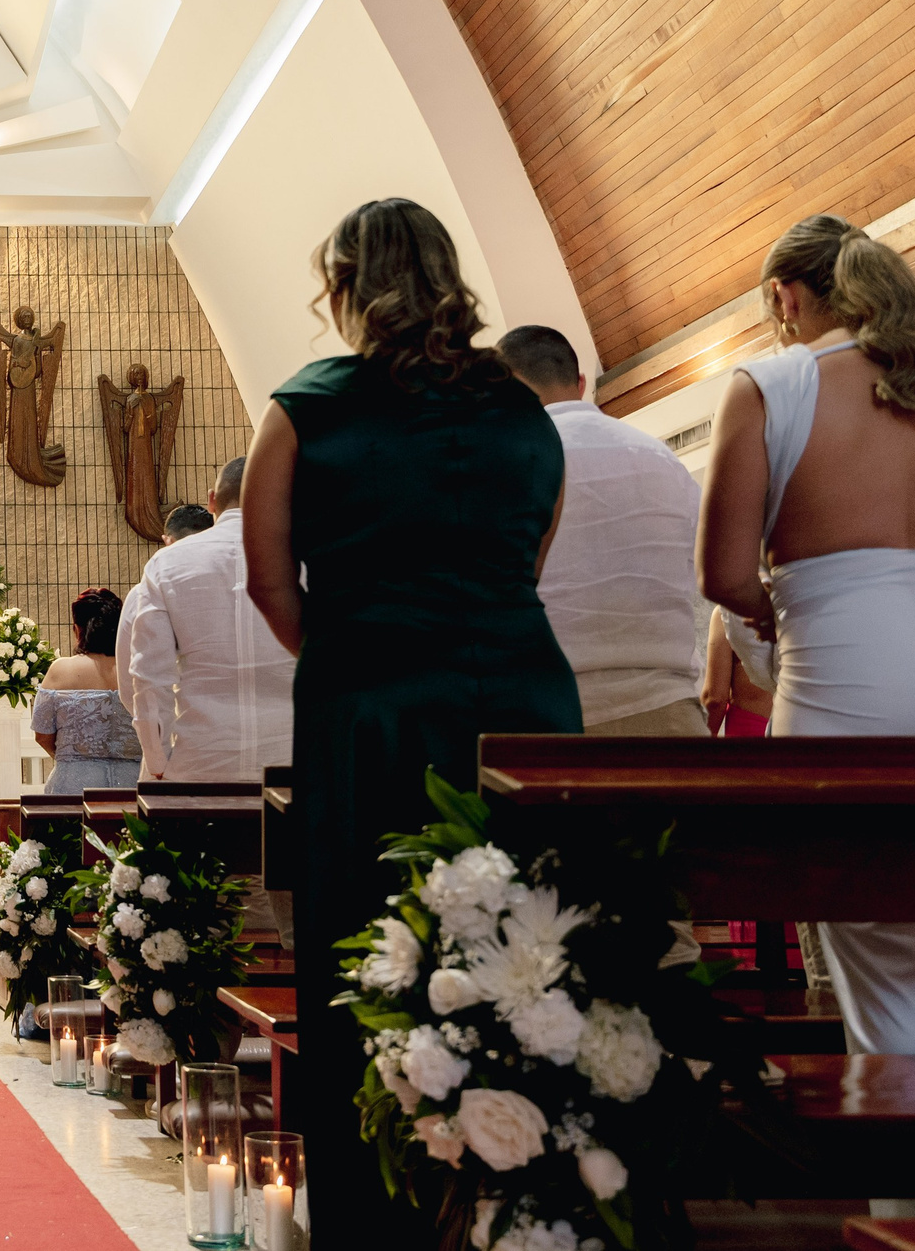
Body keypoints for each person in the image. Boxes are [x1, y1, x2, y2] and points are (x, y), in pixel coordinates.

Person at [241, 198, 580, 1246]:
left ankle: (372, 1218)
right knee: (523, 945)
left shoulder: (305, 407)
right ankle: (520, 1199)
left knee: (363, 945)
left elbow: (266, 579)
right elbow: (527, 562)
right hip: (519, 700)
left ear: (344, 284)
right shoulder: (521, 410)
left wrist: (357, 652)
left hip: (370, 709)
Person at [697, 214, 915, 1058]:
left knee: (885, 966)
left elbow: (723, 575)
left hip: (857, 683)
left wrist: (782, 617)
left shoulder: (771, 386)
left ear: (784, 295)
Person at [499, 324, 707, 734]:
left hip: (552, 716)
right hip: (668, 714)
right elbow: (711, 574)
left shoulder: (503, 469)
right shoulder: (662, 459)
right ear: (581, 383)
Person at [123, 457, 296, 783]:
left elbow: (149, 678)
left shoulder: (165, 564)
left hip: (201, 764)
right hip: (292, 766)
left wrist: (157, 761)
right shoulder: (307, 559)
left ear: (212, 500)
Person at [30, 590, 142, 794]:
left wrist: (73, 759)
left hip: (74, 785)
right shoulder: (138, 670)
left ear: (77, 629)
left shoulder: (60, 669)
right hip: (134, 785)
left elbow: (42, 734)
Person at [700, 606, 774, 737]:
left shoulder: (729, 613)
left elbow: (714, 698)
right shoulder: (811, 613)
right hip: (801, 730)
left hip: (747, 735)